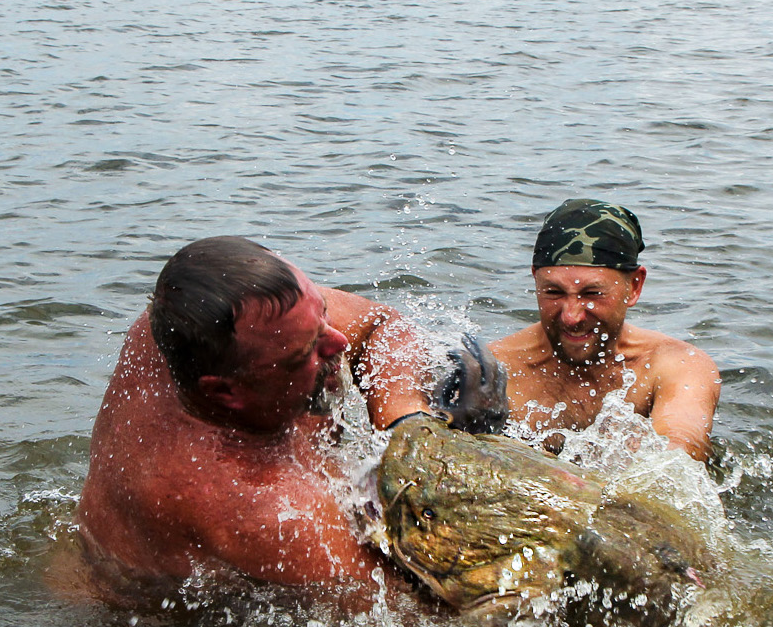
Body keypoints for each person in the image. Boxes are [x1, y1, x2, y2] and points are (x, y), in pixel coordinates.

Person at [74, 235, 495, 605]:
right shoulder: (265, 510)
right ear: (224, 391)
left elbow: (381, 323)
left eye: (324, 315)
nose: (339, 342)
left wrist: (404, 417)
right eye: (305, 354)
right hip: (156, 625)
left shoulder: (206, 325)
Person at [488, 198, 721, 461]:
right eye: (553, 292)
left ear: (634, 286)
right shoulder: (497, 368)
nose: (571, 316)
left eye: (592, 293)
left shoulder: (675, 366)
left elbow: (681, 451)